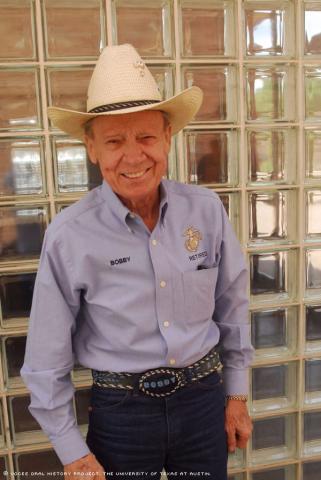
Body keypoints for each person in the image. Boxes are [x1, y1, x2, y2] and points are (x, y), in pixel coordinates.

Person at [21, 44, 253, 480]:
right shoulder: (70, 234)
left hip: (204, 401)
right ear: (92, 148)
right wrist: (72, 451)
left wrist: (236, 396)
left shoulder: (206, 210)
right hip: (121, 415)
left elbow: (232, 304)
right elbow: (46, 355)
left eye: (146, 137)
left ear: (168, 137)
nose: (133, 156)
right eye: (114, 141)